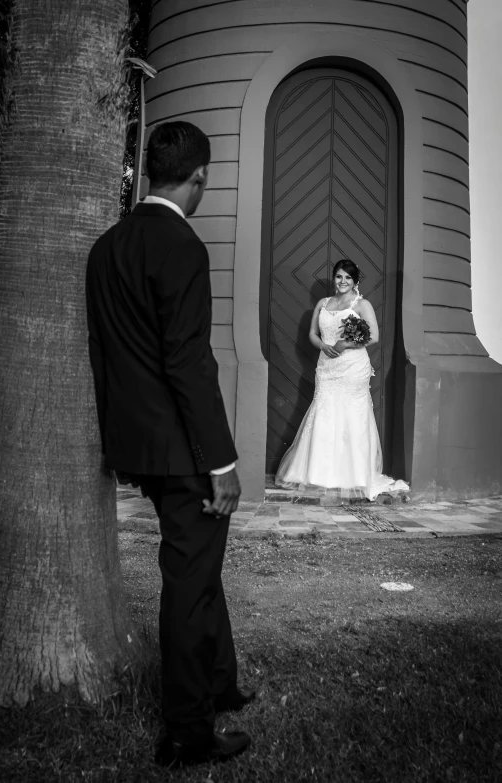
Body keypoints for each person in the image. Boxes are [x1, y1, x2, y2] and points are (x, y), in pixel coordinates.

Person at [85, 121, 254, 768]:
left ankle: (221, 681)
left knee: (199, 562)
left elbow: (112, 352)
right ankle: (187, 730)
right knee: (188, 579)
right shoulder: (181, 245)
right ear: (200, 177)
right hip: (185, 450)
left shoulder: (107, 246)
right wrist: (222, 461)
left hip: (136, 443)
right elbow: (187, 361)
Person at [275, 259, 409, 501]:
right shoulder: (323, 303)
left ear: (355, 281)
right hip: (326, 366)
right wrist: (324, 346)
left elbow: (374, 336)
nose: (343, 281)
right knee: (325, 411)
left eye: (348, 277)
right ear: (334, 279)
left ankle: (355, 476)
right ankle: (318, 473)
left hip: (352, 367)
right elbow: (312, 334)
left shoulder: (362, 304)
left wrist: (345, 343)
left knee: (351, 414)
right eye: (338, 276)